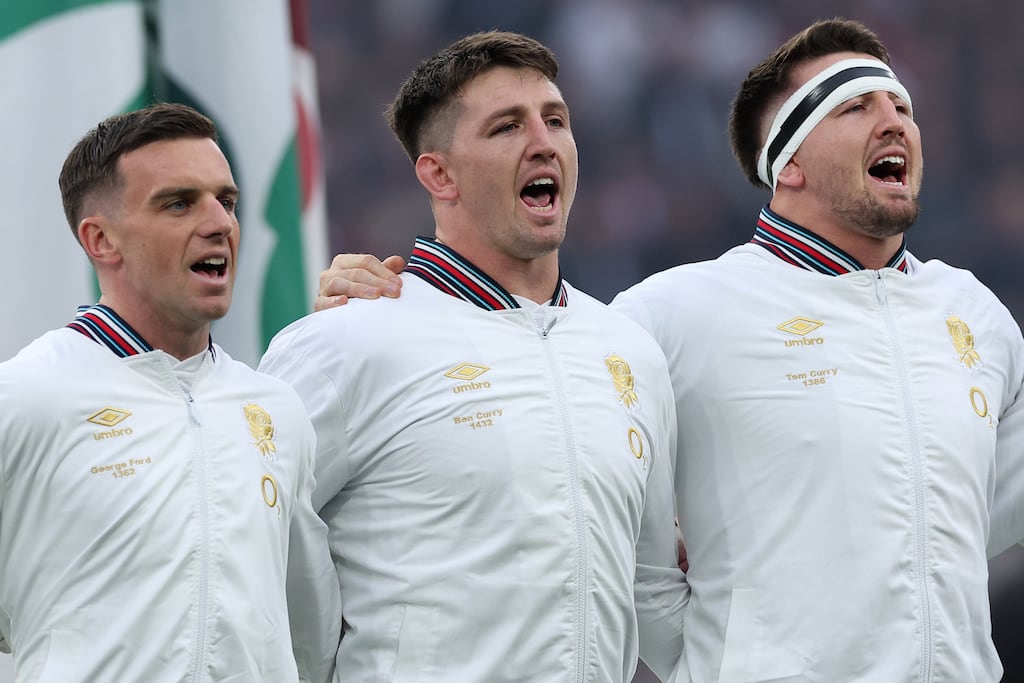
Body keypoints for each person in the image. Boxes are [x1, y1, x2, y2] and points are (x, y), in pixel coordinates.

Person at [317, 18, 1024, 682]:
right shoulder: (672, 314)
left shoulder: (976, 314)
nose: (895, 120)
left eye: (900, 105)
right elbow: (618, 537)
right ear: (790, 163)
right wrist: (729, 659)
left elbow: (975, 516)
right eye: (854, 107)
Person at [257, 31, 686, 682]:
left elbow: (656, 593)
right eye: (506, 127)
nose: (542, 141)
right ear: (438, 172)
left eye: (556, 120)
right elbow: (249, 559)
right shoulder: (344, 343)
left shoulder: (627, 351)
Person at [0, 102, 341, 682]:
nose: (220, 223)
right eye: (179, 203)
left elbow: (308, 632)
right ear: (101, 239)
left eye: (226, 201)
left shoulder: (277, 410)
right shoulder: (25, 396)